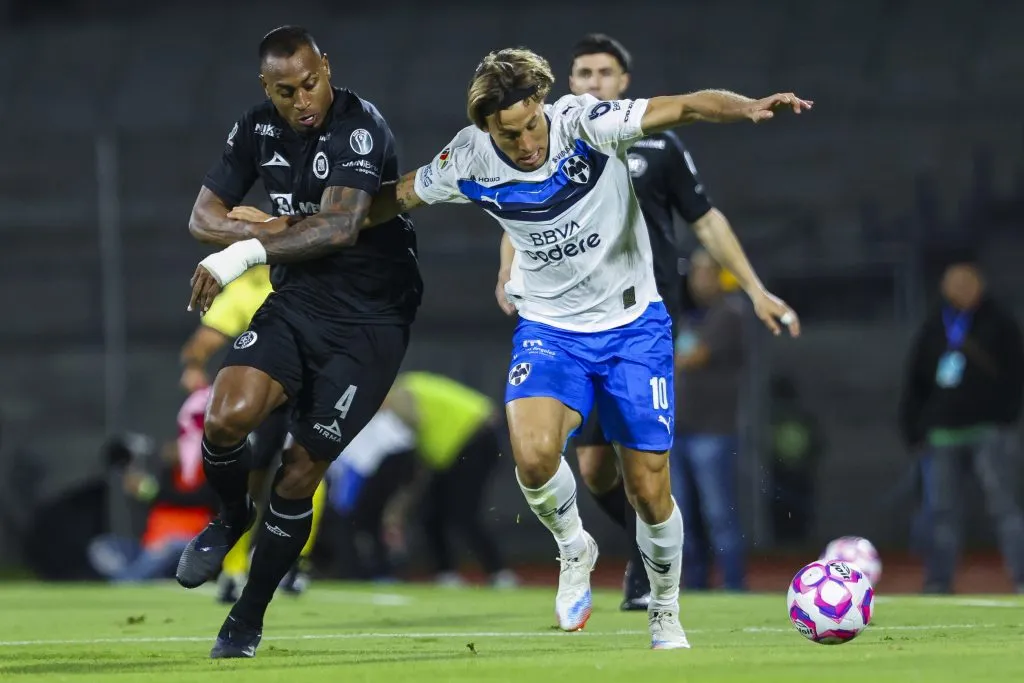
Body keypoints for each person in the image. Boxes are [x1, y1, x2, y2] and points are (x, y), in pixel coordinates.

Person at [192, 47, 807, 650]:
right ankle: (574, 547)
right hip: (549, 329)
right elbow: (391, 198)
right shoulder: (469, 157)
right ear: (485, 129)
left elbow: (687, 107)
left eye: (531, 125)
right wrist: (291, 224)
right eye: (510, 136)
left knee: (648, 491)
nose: (528, 144)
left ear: (544, 104)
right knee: (535, 457)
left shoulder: (585, 123)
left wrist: (746, 106)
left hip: (632, 327)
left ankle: (666, 611)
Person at [177, 25, 422, 659]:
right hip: (298, 299)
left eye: (311, 82)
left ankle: (248, 616)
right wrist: (273, 224)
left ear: (326, 69)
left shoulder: (358, 125)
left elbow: (340, 226)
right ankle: (230, 517)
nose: (303, 99)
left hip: (373, 318)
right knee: (227, 416)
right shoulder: (257, 127)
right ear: (268, 88)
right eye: (286, 90)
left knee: (299, 471)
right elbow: (201, 216)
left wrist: (243, 248)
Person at [561, 34, 770, 609]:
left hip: (647, 316)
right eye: (584, 72)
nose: (595, 81)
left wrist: (753, 288)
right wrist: (507, 275)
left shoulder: (660, 146)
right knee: (594, 465)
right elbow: (521, 222)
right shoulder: (555, 147)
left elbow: (704, 221)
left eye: (606, 72)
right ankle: (644, 549)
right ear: (570, 82)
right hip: (577, 315)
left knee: (639, 455)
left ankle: (655, 575)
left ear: (623, 83)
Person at [178, 264, 327, 603]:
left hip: (301, 391)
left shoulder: (309, 275)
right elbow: (204, 341)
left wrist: (193, 364)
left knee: (301, 472)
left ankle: (283, 563)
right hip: (272, 397)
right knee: (264, 475)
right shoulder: (252, 286)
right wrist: (193, 365)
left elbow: (202, 344)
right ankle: (240, 567)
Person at [899, 256, 1024, 594]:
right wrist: (915, 429)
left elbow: (1015, 372)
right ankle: (938, 583)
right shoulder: (934, 326)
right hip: (941, 434)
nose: (961, 290)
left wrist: (1005, 416)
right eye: (954, 284)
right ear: (944, 288)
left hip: (989, 431)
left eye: (967, 283)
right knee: (940, 513)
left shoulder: (999, 322)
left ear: (980, 286)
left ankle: (1021, 578)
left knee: (1006, 509)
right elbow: (916, 382)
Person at [383, 371, 516, 587]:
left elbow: (415, 428)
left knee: (463, 513)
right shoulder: (412, 385)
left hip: (473, 440)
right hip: (461, 447)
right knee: (432, 514)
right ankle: (447, 574)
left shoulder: (399, 394)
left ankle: (499, 573)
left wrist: (400, 504)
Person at [672, 249, 748, 590]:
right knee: (683, 518)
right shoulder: (689, 316)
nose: (699, 279)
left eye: (706, 272)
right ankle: (695, 585)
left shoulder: (728, 313)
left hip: (712, 430)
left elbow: (695, 357)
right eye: (695, 272)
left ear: (719, 276)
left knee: (719, 516)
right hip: (680, 430)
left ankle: (734, 585)